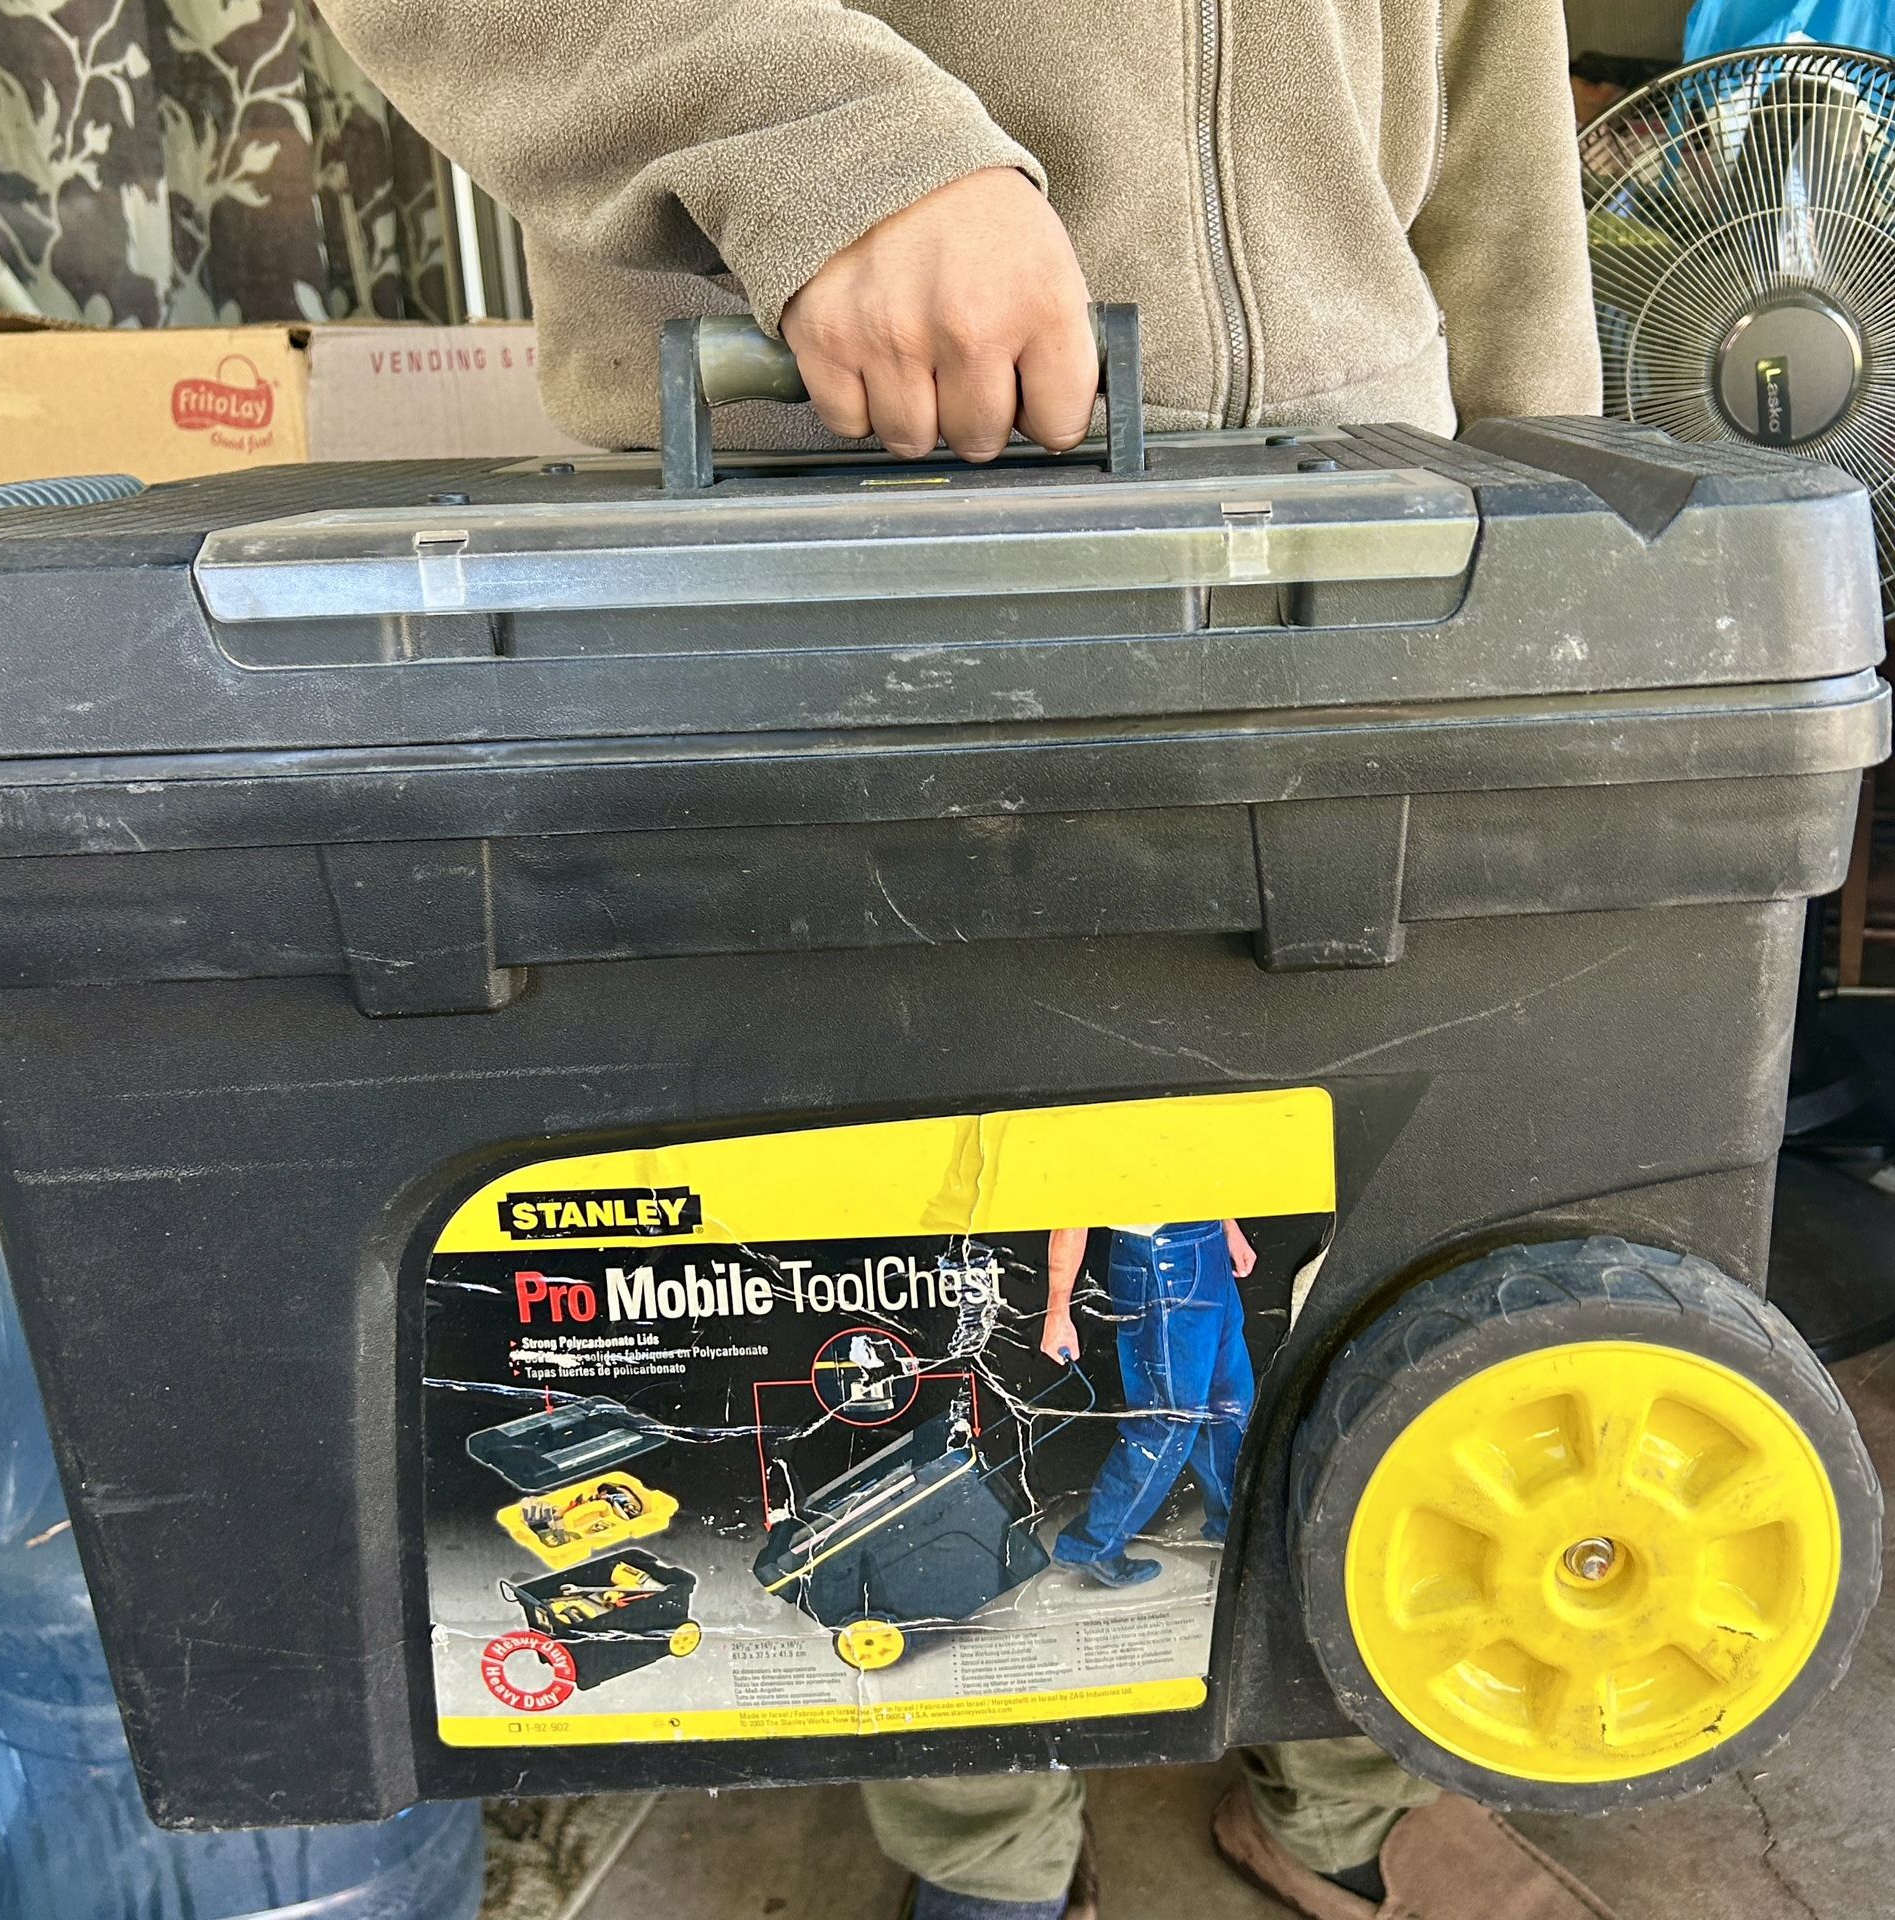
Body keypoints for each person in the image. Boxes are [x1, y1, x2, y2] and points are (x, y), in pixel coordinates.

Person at [313, 4, 1611, 1915]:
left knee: (1407, 1269)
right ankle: (987, 1842)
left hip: (1372, 556)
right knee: (914, 1282)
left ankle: (1333, 1787)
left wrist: (1553, 514)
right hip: (841, 525)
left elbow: (1491, 92)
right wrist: (832, 143)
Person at [1043, 1222, 1257, 1586]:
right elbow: (1071, 1206)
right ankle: (1094, 1543)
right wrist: (1057, 1309)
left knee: (1227, 1403)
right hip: (1161, 1258)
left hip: (1204, 1243)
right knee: (1166, 1420)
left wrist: (1228, 1228)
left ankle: (1232, 1524)